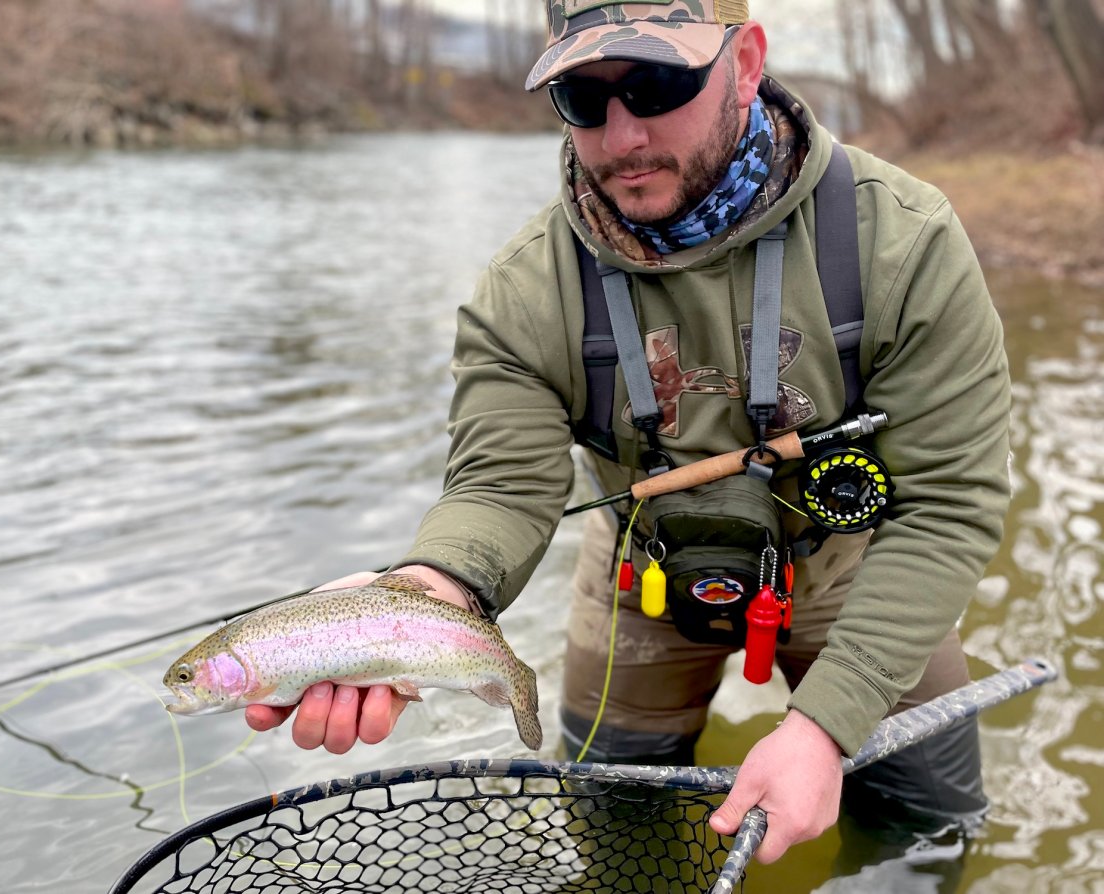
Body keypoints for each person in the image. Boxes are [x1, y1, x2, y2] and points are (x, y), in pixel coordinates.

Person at [245, 0, 1011, 870]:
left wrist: (826, 726)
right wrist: (425, 593)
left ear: (747, 61)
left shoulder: (903, 242)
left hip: (853, 566)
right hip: (637, 575)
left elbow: (949, 505)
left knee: (927, 838)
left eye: (655, 84)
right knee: (618, 848)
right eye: (583, 97)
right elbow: (499, 488)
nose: (619, 135)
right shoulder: (524, 291)